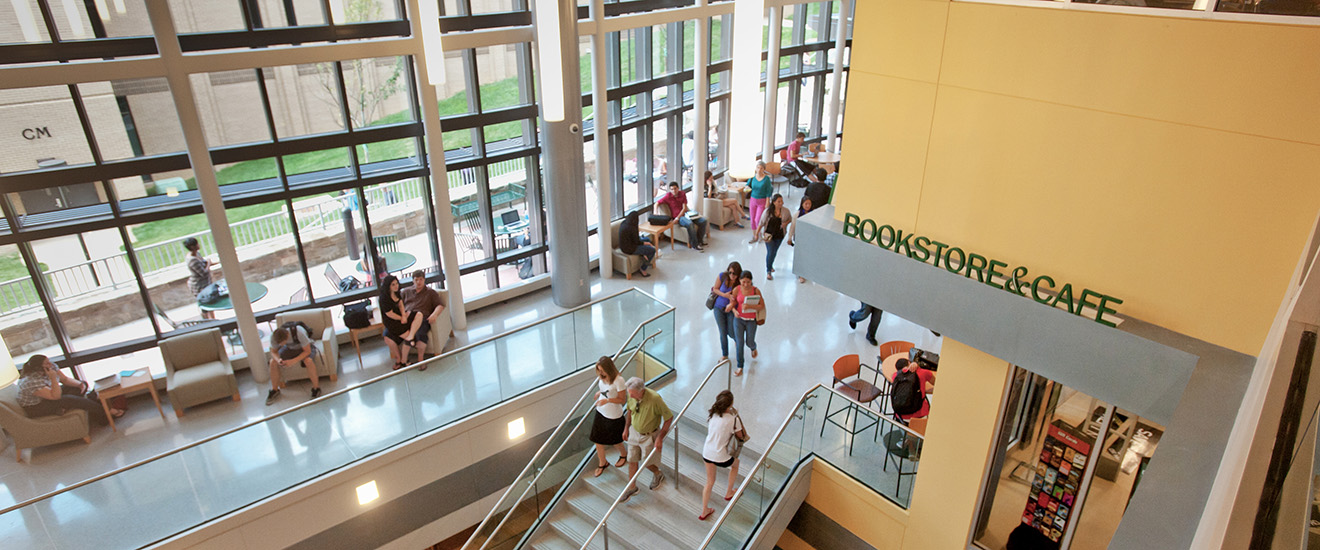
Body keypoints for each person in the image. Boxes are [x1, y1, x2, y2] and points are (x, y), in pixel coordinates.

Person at [17, 355, 118, 425]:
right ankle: (106, 412)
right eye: (46, 363)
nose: (50, 364)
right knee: (69, 399)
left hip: (47, 394)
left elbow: (65, 380)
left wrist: (80, 385)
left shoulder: (50, 367)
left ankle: (65, 408)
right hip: (36, 407)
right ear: (39, 368)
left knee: (81, 385)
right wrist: (52, 378)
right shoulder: (30, 381)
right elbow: (55, 396)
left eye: (49, 361)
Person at [619, 376, 674, 502]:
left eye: (632, 394)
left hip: (649, 435)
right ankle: (631, 487)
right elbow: (630, 410)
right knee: (632, 460)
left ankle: (658, 473)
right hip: (635, 432)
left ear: (641, 391)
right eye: (629, 393)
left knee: (647, 462)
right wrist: (626, 428)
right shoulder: (632, 395)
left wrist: (660, 437)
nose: (630, 396)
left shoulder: (655, 399)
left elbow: (669, 418)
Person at [700, 390, 745, 520]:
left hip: (707, 452)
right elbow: (740, 436)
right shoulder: (733, 419)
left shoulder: (713, 415)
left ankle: (704, 511)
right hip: (721, 456)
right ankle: (729, 492)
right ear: (730, 404)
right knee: (735, 464)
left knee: (710, 481)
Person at [589, 356, 629, 478]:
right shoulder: (602, 377)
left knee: (615, 441)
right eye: (599, 370)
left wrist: (607, 400)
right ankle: (603, 462)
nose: (600, 373)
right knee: (597, 439)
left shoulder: (619, 380)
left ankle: (623, 454)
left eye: (602, 370)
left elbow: (622, 400)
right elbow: (605, 390)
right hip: (600, 411)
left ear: (608, 369)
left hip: (613, 415)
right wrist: (600, 393)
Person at [265, 324, 323, 405]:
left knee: (308, 361)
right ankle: (274, 390)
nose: (280, 345)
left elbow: (307, 351)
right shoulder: (274, 337)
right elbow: (273, 351)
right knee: (272, 362)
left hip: (305, 348)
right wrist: (278, 360)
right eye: (279, 343)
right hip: (289, 349)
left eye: (282, 342)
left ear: (287, 336)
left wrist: (293, 361)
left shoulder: (298, 332)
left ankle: (316, 388)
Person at [400, 270, 447, 368]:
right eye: (416, 280)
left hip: (422, 318)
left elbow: (440, 306)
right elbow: (398, 305)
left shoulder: (430, 293)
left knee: (420, 334)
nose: (418, 282)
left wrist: (434, 315)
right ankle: (400, 360)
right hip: (408, 318)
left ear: (424, 280)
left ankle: (420, 360)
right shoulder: (406, 292)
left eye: (420, 279)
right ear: (413, 281)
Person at [379, 274, 425, 371]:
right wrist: (401, 318)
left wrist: (404, 315)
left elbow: (400, 304)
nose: (396, 286)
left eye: (396, 284)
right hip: (393, 322)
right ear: (388, 286)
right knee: (409, 341)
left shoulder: (397, 293)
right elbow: (389, 314)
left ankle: (410, 336)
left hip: (401, 317)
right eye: (393, 285)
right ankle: (403, 360)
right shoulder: (384, 298)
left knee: (419, 315)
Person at [726, 270, 764, 377]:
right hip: (739, 320)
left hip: (751, 321)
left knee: (749, 341)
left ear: (751, 281)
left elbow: (761, 306)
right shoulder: (736, 290)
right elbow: (732, 303)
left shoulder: (756, 291)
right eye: (743, 282)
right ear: (740, 281)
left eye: (748, 282)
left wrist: (750, 307)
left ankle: (753, 347)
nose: (746, 284)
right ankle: (740, 366)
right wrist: (734, 311)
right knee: (739, 342)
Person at [657, 181, 708, 252]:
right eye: (672, 189)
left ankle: (700, 241)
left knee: (703, 221)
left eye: (675, 188)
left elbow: (684, 208)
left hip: (687, 214)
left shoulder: (682, 194)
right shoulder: (668, 196)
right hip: (680, 218)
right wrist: (656, 213)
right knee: (690, 224)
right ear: (670, 190)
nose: (674, 191)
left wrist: (681, 216)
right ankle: (695, 245)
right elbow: (657, 203)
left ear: (678, 188)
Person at [755, 194, 796, 280]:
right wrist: (756, 233)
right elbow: (761, 223)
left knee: (774, 252)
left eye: (782, 201)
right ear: (774, 202)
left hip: (779, 235)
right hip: (768, 235)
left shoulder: (785, 211)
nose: (781, 203)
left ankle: (770, 265)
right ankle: (768, 270)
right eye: (779, 201)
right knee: (770, 252)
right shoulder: (767, 211)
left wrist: (786, 223)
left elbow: (790, 219)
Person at [711, 261, 742, 362]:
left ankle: (736, 341)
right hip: (718, 308)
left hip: (731, 310)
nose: (732, 275)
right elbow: (715, 289)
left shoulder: (739, 283)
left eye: (734, 273)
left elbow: (739, 299)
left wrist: (731, 305)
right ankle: (725, 354)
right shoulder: (722, 276)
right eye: (730, 272)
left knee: (731, 331)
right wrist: (725, 295)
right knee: (722, 332)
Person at [183, 237, 218, 319]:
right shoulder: (192, 260)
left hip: (205, 283)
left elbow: (204, 263)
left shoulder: (197, 254)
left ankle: (214, 320)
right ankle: (207, 322)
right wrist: (209, 263)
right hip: (199, 285)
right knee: (206, 305)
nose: (199, 245)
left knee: (210, 303)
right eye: (197, 244)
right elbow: (203, 273)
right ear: (192, 247)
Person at [895, 358, 936, 422]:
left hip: (900, 417)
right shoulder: (923, 373)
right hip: (920, 418)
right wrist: (917, 366)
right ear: (909, 363)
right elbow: (937, 384)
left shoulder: (895, 376)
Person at [618, 210, 656, 277]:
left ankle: (644, 254)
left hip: (627, 244)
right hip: (630, 248)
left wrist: (645, 242)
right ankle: (643, 268)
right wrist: (646, 243)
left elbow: (634, 239)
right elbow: (637, 242)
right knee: (652, 250)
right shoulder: (632, 228)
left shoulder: (624, 223)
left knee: (647, 239)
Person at [746, 162, 773, 242]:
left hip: (762, 200)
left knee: (758, 219)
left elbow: (769, 191)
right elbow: (747, 185)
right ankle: (754, 235)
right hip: (753, 200)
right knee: (752, 219)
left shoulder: (766, 179)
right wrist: (746, 188)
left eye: (761, 168)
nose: (759, 170)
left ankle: (759, 233)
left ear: (764, 169)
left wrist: (767, 202)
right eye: (758, 167)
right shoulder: (752, 177)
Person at [795, 197, 814, 284]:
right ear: (802, 204)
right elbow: (793, 227)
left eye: (809, 204)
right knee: (800, 256)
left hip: (809, 238)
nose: (807, 206)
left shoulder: (813, 213)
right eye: (806, 203)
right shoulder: (798, 214)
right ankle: (801, 273)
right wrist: (789, 237)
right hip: (799, 237)